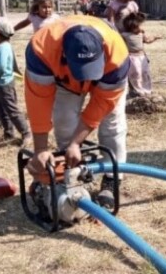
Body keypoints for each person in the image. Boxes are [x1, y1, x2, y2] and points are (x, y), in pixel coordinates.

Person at [24, 15, 130, 205]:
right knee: (63, 121)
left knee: (112, 125)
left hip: (106, 79)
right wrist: (40, 148)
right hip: (64, 82)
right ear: (64, 54)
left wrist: (76, 142)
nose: (85, 78)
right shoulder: (41, 50)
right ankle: (71, 173)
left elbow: (102, 104)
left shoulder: (117, 55)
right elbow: (38, 102)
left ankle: (112, 178)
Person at [0, 17, 32, 147]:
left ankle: (26, 133)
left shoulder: (2, 48)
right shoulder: (2, 46)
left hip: (3, 84)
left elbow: (1, 67)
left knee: (11, 109)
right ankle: (8, 133)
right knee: (1, 109)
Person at [121, 12, 161, 97]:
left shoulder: (141, 34)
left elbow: (147, 40)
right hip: (132, 57)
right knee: (136, 73)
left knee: (145, 72)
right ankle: (137, 90)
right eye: (140, 26)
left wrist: (155, 38)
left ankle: (147, 89)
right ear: (133, 26)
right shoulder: (125, 35)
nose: (142, 28)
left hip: (142, 56)